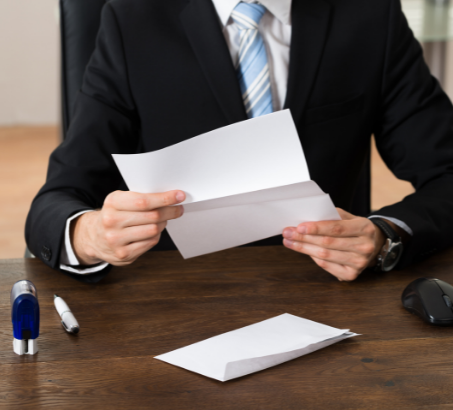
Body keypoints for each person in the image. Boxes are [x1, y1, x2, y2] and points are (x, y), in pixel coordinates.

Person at [26, 0, 453, 283]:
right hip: (171, 293)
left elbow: (447, 173)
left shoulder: (369, 15)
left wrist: (385, 235)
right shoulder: (131, 18)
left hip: (327, 290)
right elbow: (58, 198)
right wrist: (90, 236)